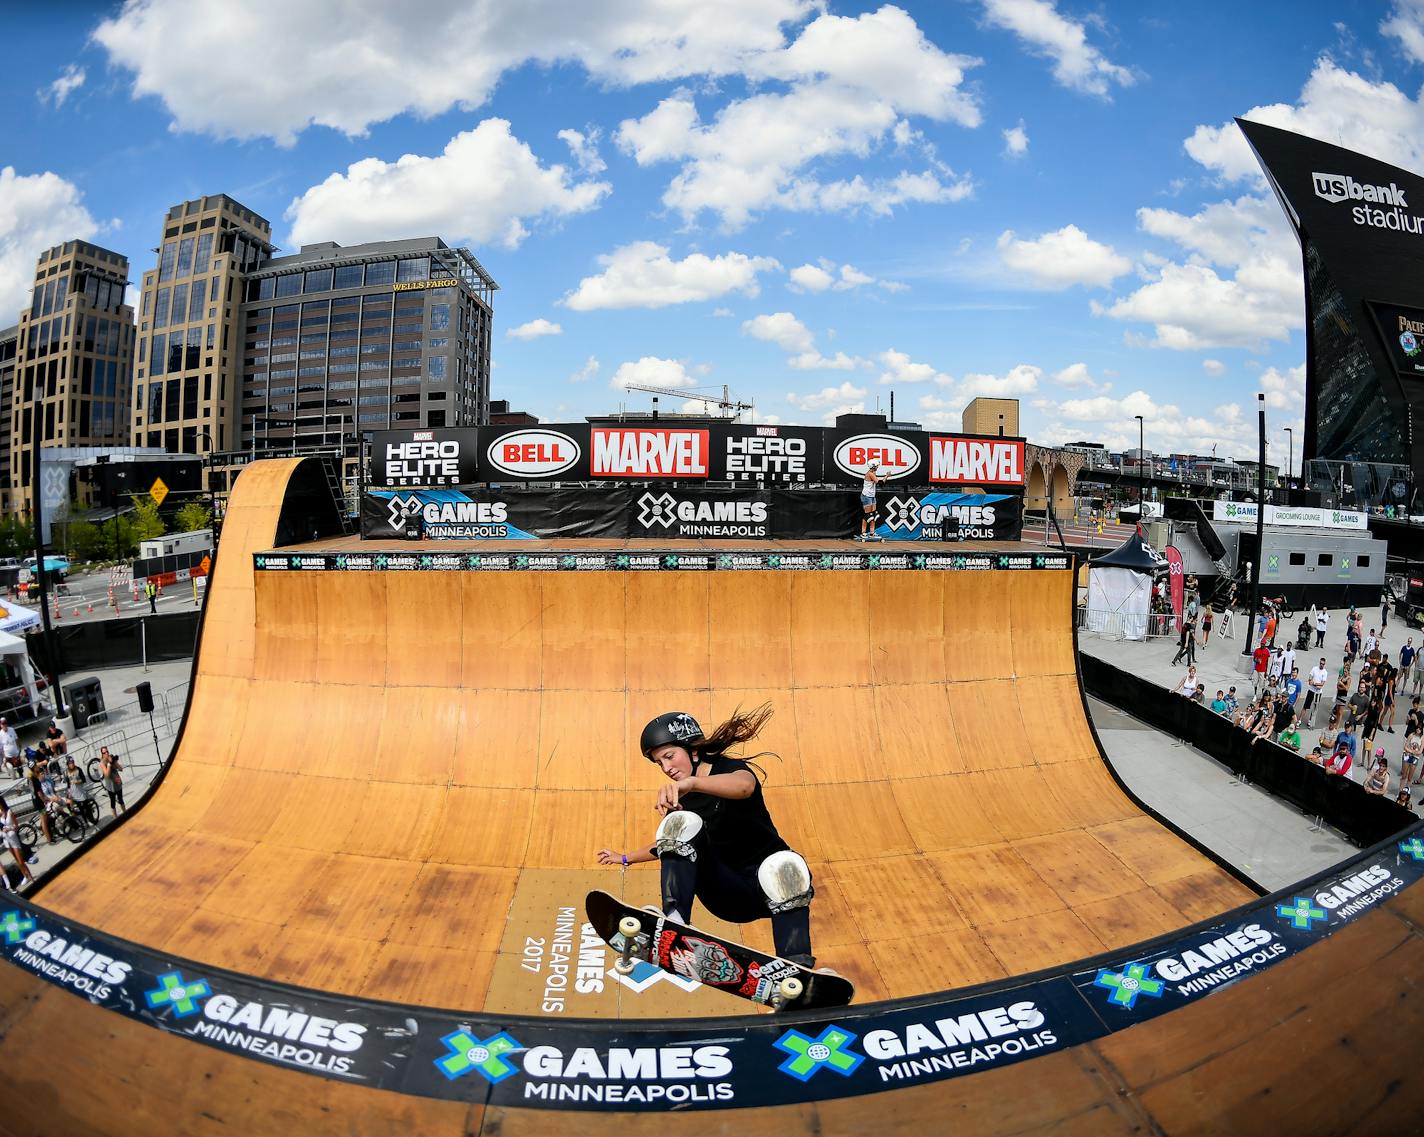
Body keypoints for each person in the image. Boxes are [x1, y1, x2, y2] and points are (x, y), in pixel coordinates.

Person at [596, 707, 818, 969]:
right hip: (727, 891)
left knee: (786, 863)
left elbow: (744, 786)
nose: (666, 768)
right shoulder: (681, 801)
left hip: (773, 891)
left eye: (669, 756)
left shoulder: (730, 768)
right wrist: (624, 857)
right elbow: (668, 845)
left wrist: (693, 784)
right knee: (680, 822)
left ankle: (795, 968)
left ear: (692, 750)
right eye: (659, 763)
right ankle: (674, 922)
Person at [0, 801, 34, 887]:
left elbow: (16, 826)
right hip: (6, 840)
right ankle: (26, 876)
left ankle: (30, 876)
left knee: (20, 860)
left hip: (13, 839)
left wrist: (9, 828)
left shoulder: (9, 812)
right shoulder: (0, 814)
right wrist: (3, 830)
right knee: (16, 860)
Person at [856, 462, 881, 541]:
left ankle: (872, 532)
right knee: (868, 515)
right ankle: (863, 532)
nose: (877, 467)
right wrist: (886, 476)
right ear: (873, 467)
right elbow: (880, 483)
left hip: (872, 496)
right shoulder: (870, 474)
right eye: (876, 466)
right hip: (866, 496)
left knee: (873, 514)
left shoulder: (873, 472)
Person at [99, 746, 125, 818]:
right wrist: (109, 764)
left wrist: (115, 762)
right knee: (113, 802)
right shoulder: (102, 763)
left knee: (121, 799)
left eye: (107, 751)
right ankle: (115, 818)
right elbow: (107, 775)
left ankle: (126, 814)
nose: (106, 753)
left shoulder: (111, 757)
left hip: (117, 782)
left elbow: (120, 769)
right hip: (110, 786)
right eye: (104, 752)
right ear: (102, 754)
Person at [1305, 657, 1329, 728]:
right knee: (1306, 705)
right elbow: (1309, 679)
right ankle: (1300, 720)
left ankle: (1310, 721)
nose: (1321, 665)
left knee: (1315, 707)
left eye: (1323, 664)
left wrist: (1314, 683)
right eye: (1321, 663)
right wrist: (1313, 683)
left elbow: (1321, 685)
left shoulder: (1325, 672)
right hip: (1311, 690)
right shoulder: (1314, 668)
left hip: (1318, 693)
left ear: (1324, 664)